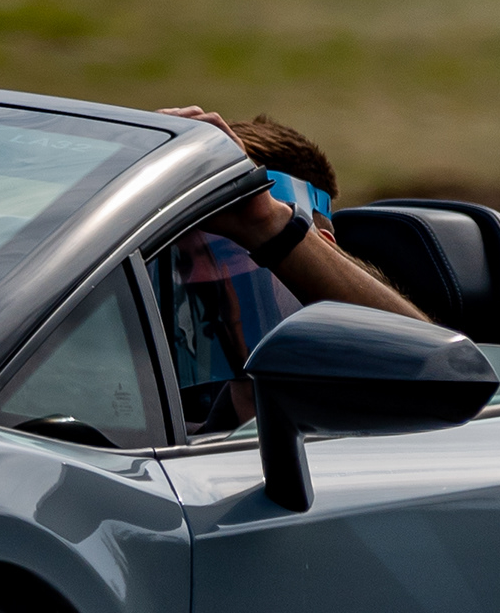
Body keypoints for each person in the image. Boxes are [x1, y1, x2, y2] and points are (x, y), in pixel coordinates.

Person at [152, 107, 428, 431]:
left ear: (319, 250)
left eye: (225, 252)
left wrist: (267, 222)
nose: (196, 279)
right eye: (181, 262)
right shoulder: (166, 438)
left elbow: (433, 370)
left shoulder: (389, 423)